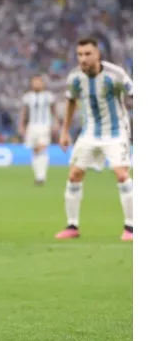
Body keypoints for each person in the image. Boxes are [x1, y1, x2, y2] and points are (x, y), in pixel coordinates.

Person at [56, 37, 133, 241]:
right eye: (80, 55)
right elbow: (71, 102)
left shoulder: (115, 75)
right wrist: (65, 131)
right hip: (89, 134)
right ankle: (72, 226)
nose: (83, 59)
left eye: (87, 54)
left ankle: (131, 228)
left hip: (116, 133)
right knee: (74, 175)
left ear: (98, 54)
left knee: (122, 174)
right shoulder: (74, 78)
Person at [18, 74, 58, 185]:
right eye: (34, 82)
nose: (36, 84)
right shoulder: (27, 97)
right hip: (32, 126)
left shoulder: (49, 96)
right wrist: (21, 125)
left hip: (45, 125)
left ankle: (41, 176)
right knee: (35, 150)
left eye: (38, 82)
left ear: (43, 83)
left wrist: (56, 123)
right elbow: (24, 113)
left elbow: (54, 111)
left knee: (42, 147)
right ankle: (38, 176)